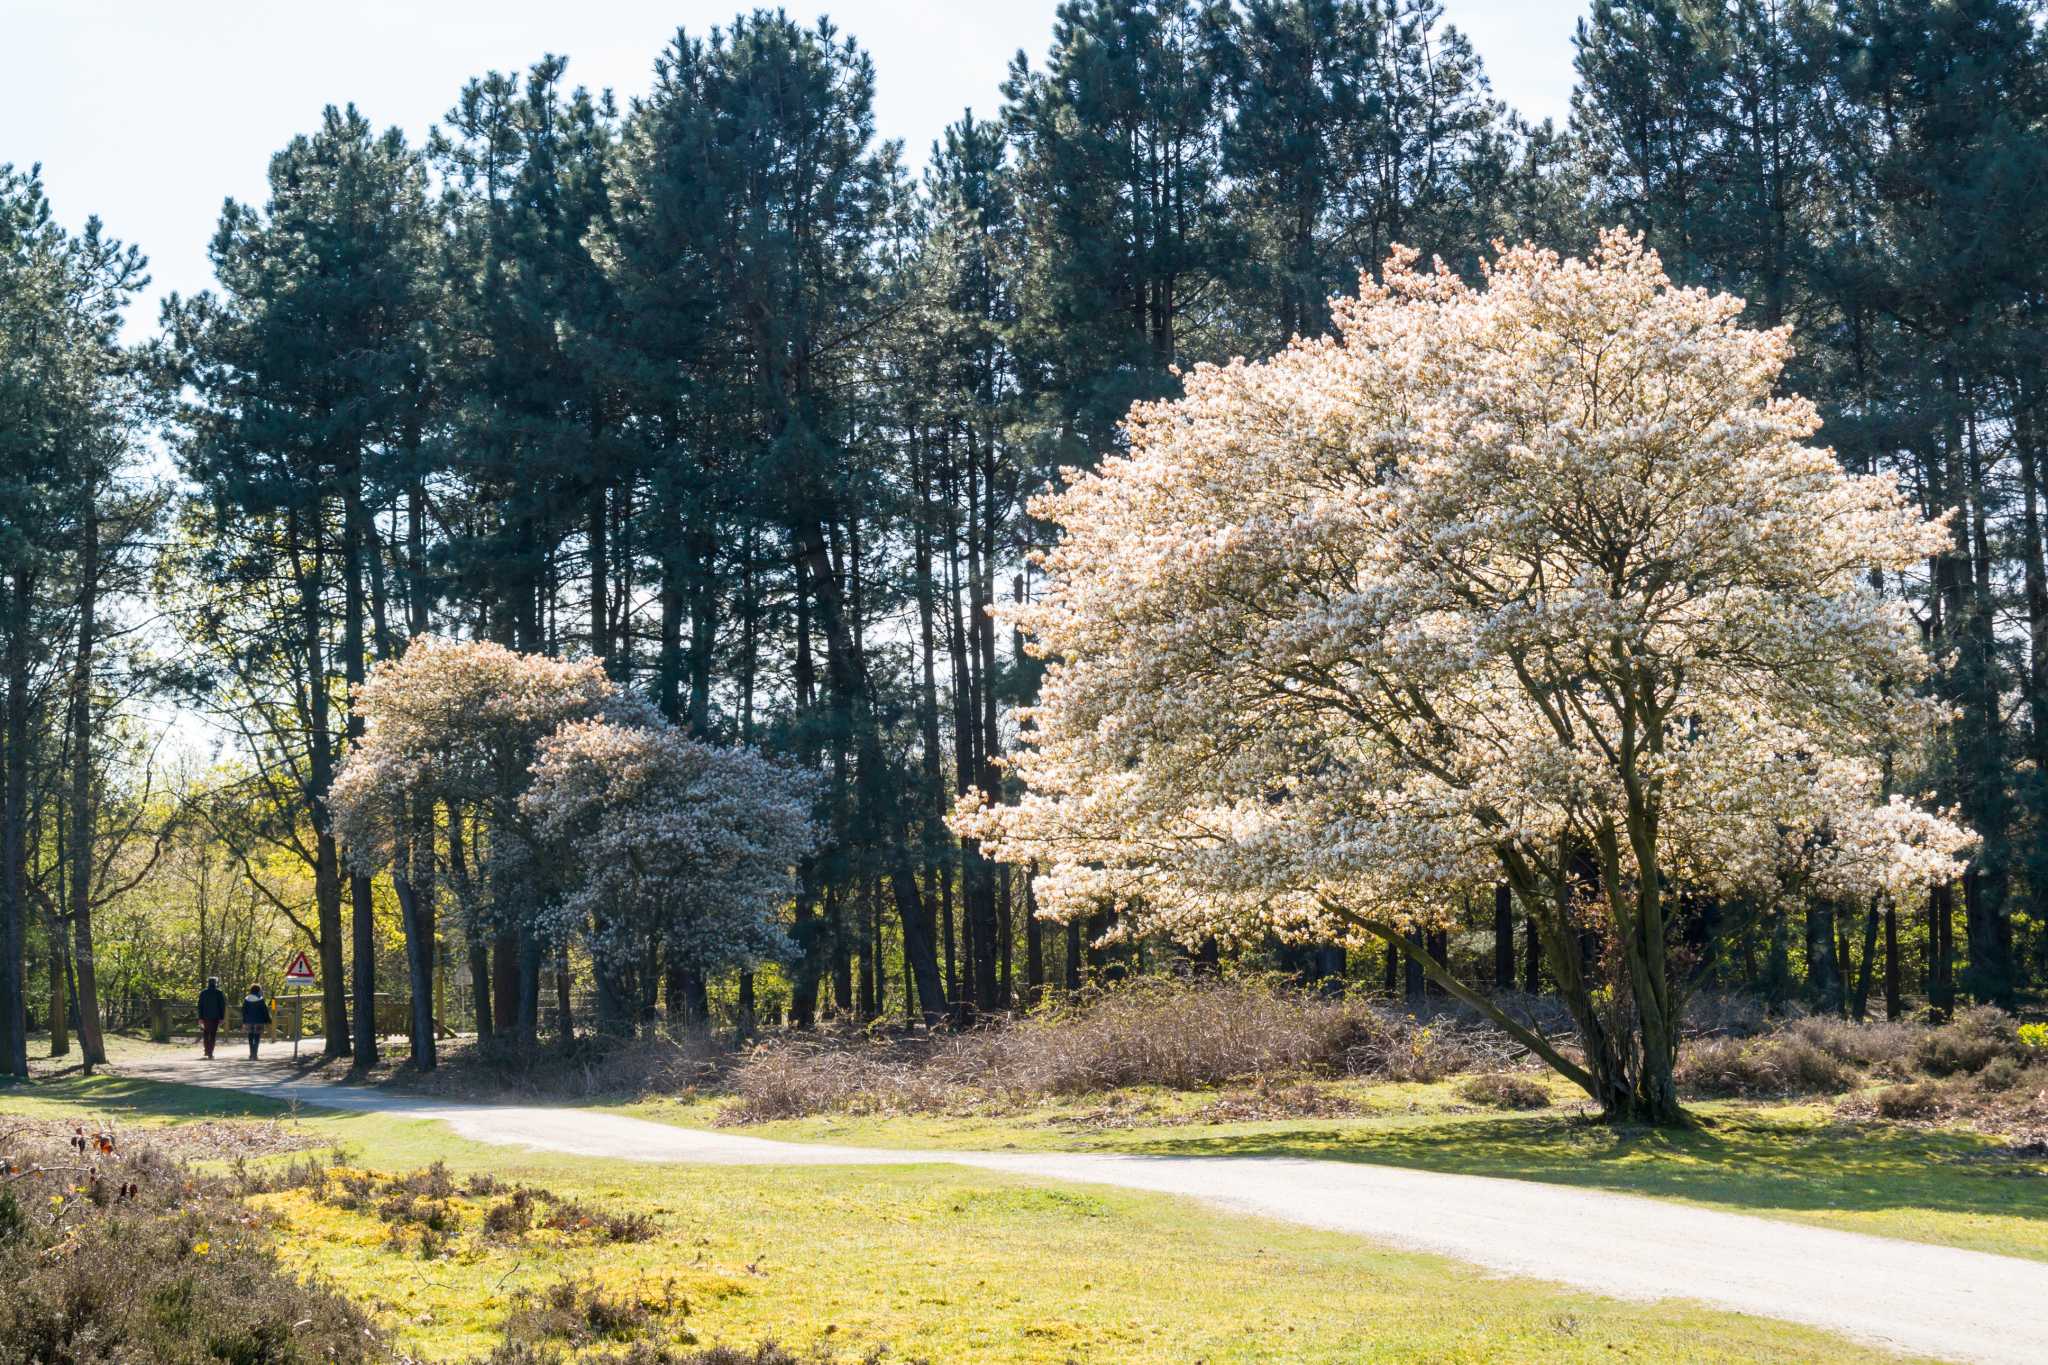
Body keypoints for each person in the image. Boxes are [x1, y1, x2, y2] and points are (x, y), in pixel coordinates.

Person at [196, 977, 227, 1059]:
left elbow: (200, 1005)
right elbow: (222, 1006)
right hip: (216, 1016)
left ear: (208, 983)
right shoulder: (219, 993)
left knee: (206, 1033)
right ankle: (210, 1052)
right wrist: (222, 1017)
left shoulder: (203, 993)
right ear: (216, 983)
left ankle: (206, 1050)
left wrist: (200, 1017)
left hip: (205, 1016)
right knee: (213, 1034)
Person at [241, 984, 272, 1060]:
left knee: (250, 1038)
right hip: (259, 1021)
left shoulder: (246, 999)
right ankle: (255, 1054)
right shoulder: (260, 999)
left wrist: (244, 1020)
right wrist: (268, 1020)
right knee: (257, 1038)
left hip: (248, 1021)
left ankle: (251, 1054)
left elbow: (243, 1011)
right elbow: (265, 1011)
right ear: (258, 991)